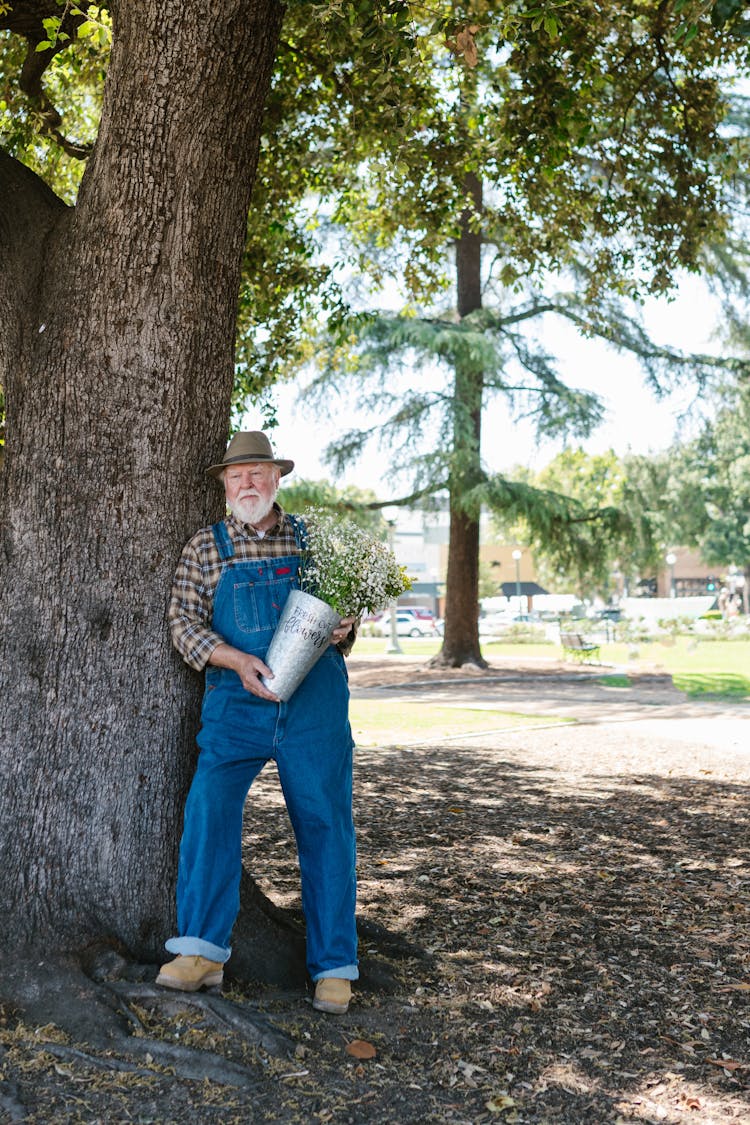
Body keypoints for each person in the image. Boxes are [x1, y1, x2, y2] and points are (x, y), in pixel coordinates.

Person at [157, 431, 358, 1014]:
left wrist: (344, 627)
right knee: (208, 812)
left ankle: (334, 968)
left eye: (258, 474)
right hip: (234, 703)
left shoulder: (314, 543)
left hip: (313, 706)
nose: (248, 484)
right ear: (224, 484)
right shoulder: (206, 548)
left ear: (276, 480)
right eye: (237, 476)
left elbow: (342, 616)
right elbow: (185, 625)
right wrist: (235, 658)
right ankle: (200, 953)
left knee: (326, 825)